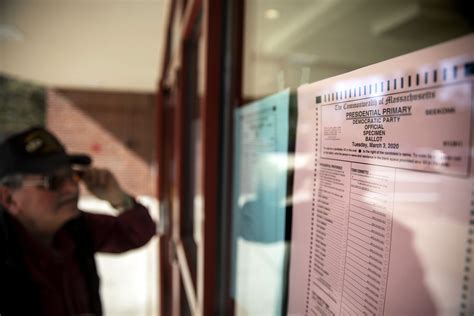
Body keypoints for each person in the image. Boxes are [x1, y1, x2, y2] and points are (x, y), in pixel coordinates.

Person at [0, 126, 156, 316]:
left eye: (73, 176)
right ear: (8, 198)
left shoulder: (74, 229)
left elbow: (136, 232)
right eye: (53, 181)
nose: (72, 189)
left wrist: (119, 199)